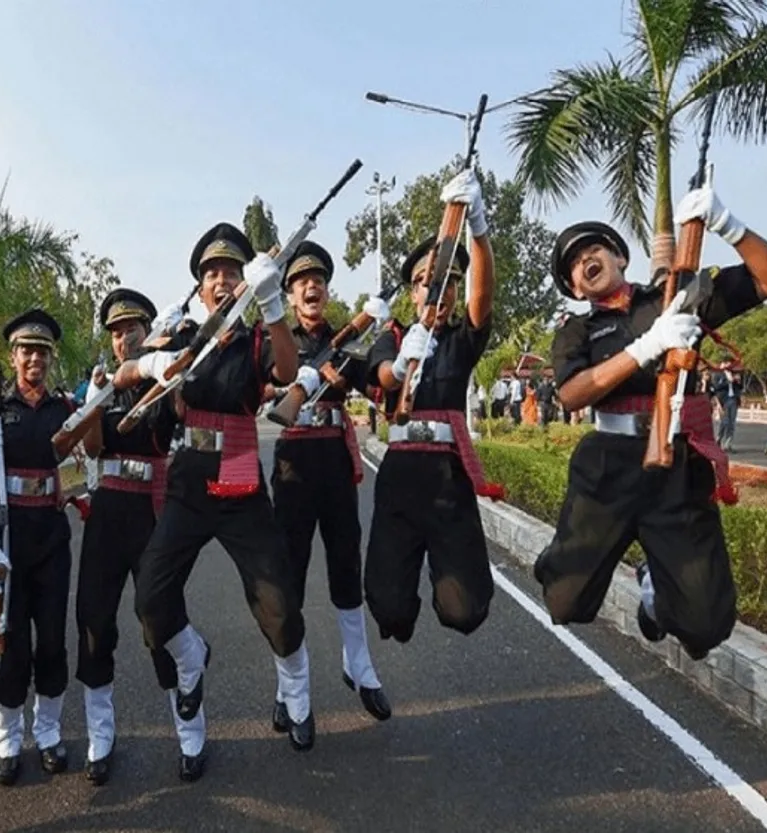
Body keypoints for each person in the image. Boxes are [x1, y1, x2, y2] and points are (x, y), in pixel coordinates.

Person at [533, 184, 767, 660]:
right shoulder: (577, 331)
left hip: (677, 461)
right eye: (573, 262)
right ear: (574, 288)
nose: (585, 259)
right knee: (564, 602)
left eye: (594, 248)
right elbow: (572, 393)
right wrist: (645, 348)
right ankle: (563, 558)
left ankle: (654, 589)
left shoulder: (677, 299)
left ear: (620, 257)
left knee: (706, 627)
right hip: (608, 465)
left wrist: (727, 224)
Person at [117, 221, 310, 783]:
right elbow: (125, 374)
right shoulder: (184, 337)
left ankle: (295, 688)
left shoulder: (255, 339)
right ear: (200, 288)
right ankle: (190, 659)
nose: (221, 280)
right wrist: (150, 362)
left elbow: (287, 371)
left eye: (230, 272)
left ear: (244, 282)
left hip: (242, 477)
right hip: (190, 479)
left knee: (279, 603)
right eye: (211, 274)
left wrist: (272, 305)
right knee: (151, 599)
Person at [364, 169, 502, 645]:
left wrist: (477, 227)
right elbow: (382, 376)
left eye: (448, 282)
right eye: (426, 282)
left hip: (448, 475)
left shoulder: (461, 339)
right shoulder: (393, 337)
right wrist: (403, 361)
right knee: (388, 607)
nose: (437, 290)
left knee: (466, 610)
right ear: (412, 292)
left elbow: (484, 297)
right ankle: (399, 609)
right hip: (401, 473)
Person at [265, 241, 391, 725]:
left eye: (317, 280)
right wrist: (293, 383)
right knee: (289, 572)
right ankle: (287, 683)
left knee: (345, 559)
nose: (311, 287)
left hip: (334, 460)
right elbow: (260, 386)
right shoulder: (280, 339)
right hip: (293, 463)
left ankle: (358, 662)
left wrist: (346, 379)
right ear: (290, 296)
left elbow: (376, 386)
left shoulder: (347, 340)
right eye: (301, 282)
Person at [73, 288, 182, 785]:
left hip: (153, 509)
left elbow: (168, 428)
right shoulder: (106, 386)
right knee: (94, 618)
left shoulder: (164, 377)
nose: (124, 340)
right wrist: (94, 404)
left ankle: (188, 723)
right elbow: (95, 449)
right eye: (116, 334)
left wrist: (164, 363)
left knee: (160, 618)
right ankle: (100, 732)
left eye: (131, 330)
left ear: (147, 331)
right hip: (109, 509)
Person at [0, 309, 76, 786]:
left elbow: (87, 452)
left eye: (42, 351)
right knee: (11, 644)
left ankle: (48, 731)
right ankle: (7, 739)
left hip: (50, 536)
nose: (35, 358)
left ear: (50, 358)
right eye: (26, 350)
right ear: (13, 356)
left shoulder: (63, 408)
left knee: (51, 641)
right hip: (8, 538)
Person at [712, 368, 743, 451]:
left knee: (732, 422)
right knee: (725, 421)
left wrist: (738, 381)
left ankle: (728, 443)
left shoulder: (734, 373)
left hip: (733, 399)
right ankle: (719, 437)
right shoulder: (718, 374)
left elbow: (740, 387)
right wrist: (728, 381)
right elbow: (716, 387)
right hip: (723, 400)